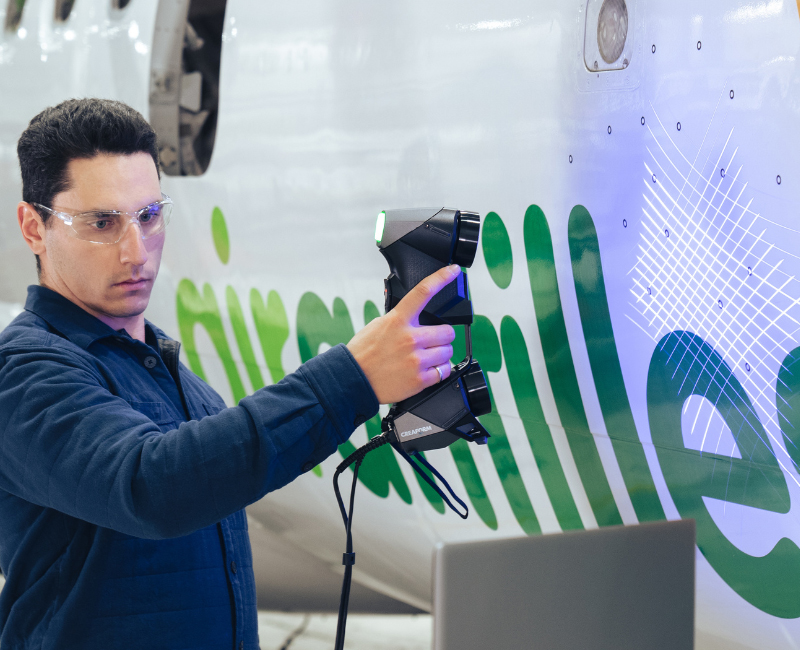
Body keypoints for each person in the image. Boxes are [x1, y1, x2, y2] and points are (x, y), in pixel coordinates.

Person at [0, 98, 458, 649]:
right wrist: (354, 376)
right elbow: (153, 487)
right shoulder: (25, 371)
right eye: (102, 223)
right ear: (33, 227)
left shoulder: (167, 373)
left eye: (149, 216)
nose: (135, 251)